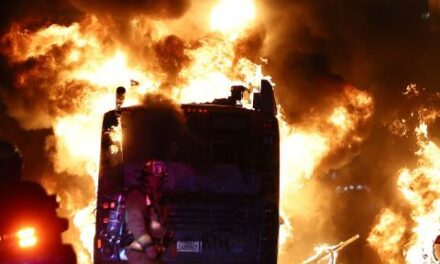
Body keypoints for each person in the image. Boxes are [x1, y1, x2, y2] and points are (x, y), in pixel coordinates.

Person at [0, 140, 76, 263]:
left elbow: (49, 218)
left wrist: (53, 224)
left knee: (63, 254)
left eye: (8, 166)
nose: (5, 172)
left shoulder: (32, 191)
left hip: (29, 248)